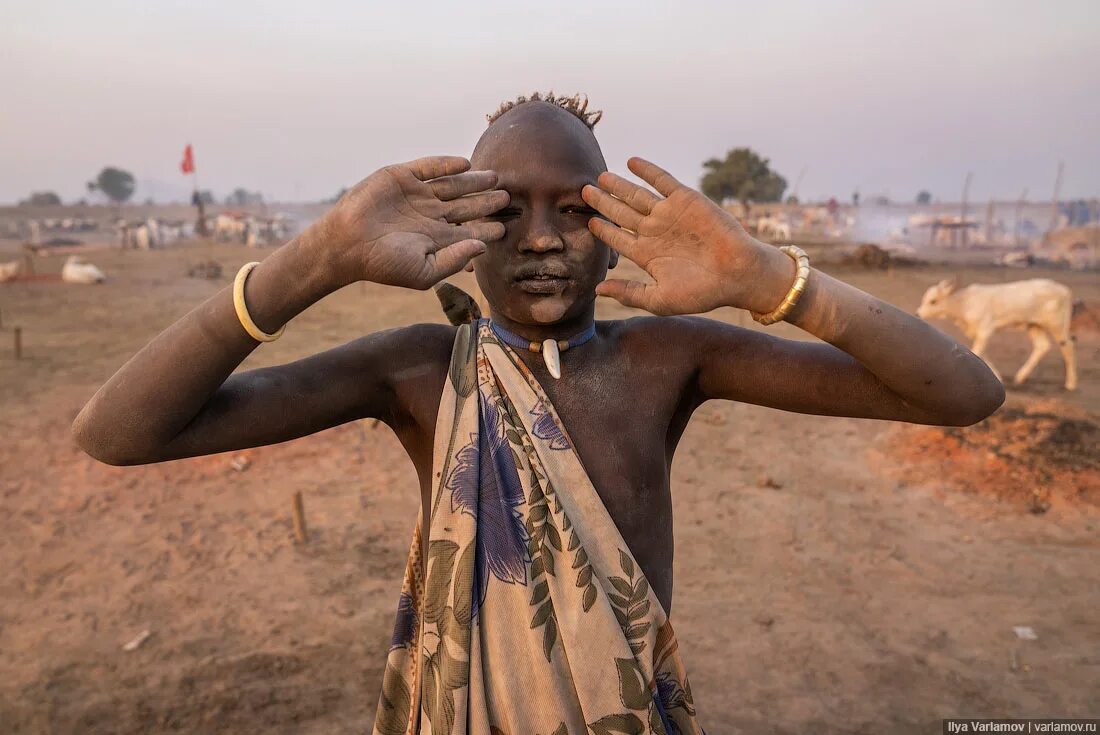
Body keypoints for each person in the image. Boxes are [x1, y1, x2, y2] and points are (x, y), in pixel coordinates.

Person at [73, 93, 1004, 734]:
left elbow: (964, 391)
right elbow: (118, 433)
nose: (544, 238)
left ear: (613, 233)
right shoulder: (416, 370)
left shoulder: (665, 358)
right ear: (458, 226)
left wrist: (767, 277)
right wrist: (314, 259)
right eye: (508, 210)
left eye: (574, 210)